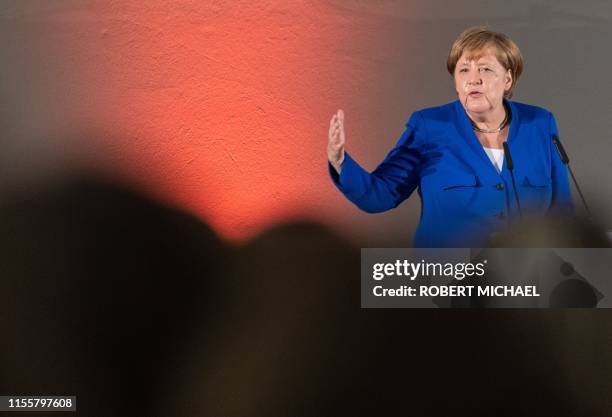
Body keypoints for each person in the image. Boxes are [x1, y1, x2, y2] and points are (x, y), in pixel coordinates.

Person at [327, 26, 574, 247]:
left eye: (485, 69)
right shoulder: (429, 127)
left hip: (523, 284)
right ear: (456, 82)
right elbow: (379, 195)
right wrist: (340, 162)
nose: (473, 79)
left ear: (507, 80)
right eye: (463, 70)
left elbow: (561, 213)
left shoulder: (540, 124)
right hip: (445, 283)